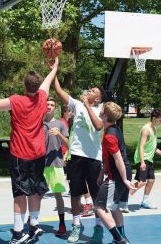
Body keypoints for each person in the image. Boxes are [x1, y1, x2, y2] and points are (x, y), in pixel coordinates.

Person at [0, 58, 58, 244]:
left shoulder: (16, 101)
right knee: (35, 190)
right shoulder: (42, 97)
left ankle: (18, 233)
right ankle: (34, 224)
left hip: (20, 155)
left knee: (20, 193)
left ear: (24, 86)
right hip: (39, 153)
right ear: (37, 86)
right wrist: (54, 67)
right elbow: (48, 80)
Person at [52, 75, 104, 243]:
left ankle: (98, 227)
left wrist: (88, 105)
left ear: (97, 98)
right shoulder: (77, 104)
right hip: (76, 155)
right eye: (90, 88)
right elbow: (59, 91)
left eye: (93, 90)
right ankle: (76, 225)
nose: (90, 89)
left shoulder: (101, 109)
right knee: (75, 194)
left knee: (96, 196)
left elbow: (98, 126)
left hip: (94, 158)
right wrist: (54, 71)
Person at [94, 102, 134, 244]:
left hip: (117, 176)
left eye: (102, 109)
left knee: (99, 207)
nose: (99, 109)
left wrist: (124, 179)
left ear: (104, 116)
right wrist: (101, 172)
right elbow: (108, 158)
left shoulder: (109, 135)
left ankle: (119, 239)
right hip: (121, 172)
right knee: (115, 207)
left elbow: (118, 159)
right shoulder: (114, 129)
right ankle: (122, 237)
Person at [130, 109, 161, 209]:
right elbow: (141, 147)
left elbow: (153, 147)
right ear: (154, 118)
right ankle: (123, 201)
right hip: (142, 159)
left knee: (151, 180)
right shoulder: (146, 129)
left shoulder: (153, 129)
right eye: (160, 119)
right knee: (141, 182)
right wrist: (142, 162)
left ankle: (145, 201)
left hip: (149, 159)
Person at [43, 97, 69, 237]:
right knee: (36, 195)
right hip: (39, 164)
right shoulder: (38, 122)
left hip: (56, 165)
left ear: (55, 108)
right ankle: (32, 222)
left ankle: (62, 223)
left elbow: (68, 144)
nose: (49, 106)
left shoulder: (60, 124)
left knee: (58, 195)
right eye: (47, 104)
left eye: (52, 105)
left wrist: (58, 134)